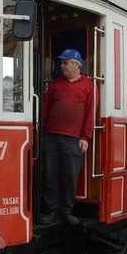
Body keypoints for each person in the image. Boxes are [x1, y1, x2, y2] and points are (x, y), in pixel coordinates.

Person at [40, 49, 95, 226]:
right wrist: (43, 134)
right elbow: (45, 111)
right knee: (50, 176)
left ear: (77, 64)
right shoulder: (56, 85)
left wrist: (85, 137)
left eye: (65, 63)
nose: (61, 66)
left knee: (70, 177)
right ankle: (51, 211)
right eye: (61, 63)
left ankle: (66, 211)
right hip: (51, 137)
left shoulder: (89, 85)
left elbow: (91, 114)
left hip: (74, 139)